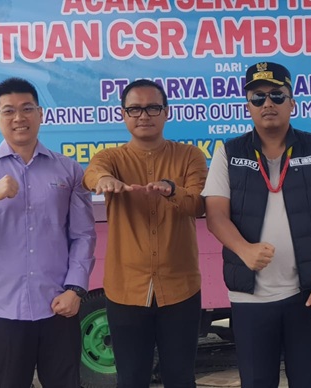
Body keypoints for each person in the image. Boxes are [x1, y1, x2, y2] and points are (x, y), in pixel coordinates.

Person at [203, 62, 311, 388]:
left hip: (308, 294)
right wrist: (243, 250)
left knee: (308, 381)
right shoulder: (229, 153)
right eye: (258, 97)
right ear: (247, 106)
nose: (268, 103)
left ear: (292, 103)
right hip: (250, 299)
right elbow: (215, 215)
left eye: (277, 95)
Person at [83, 79, 208, 387]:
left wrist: (171, 190)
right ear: (123, 115)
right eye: (135, 109)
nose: (144, 115)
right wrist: (105, 180)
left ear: (166, 112)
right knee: (131, 378)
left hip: (180, 287)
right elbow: (92, 173)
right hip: (126, 289)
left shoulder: (189, 155)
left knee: (180, 377)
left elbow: (200, 203)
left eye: (153, 107)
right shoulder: (111, 158)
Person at [0, 77, 96, 387]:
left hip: (58, 307)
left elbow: (82, 235)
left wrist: (76, 289)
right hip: (2, 311)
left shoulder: (68, 170)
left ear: (41, 114)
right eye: (9, 111)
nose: (19, 118)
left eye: (27, 108)